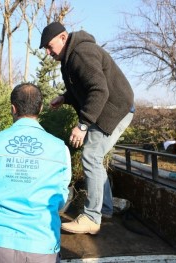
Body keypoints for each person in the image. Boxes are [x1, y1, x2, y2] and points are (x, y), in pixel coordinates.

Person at [39, 22, 135, 234]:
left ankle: (92, 217)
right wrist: (64, 98)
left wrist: (82, 125)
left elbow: (98, 90)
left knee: (91, 155)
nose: (47, 52)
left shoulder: (81, 53)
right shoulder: (69, 57)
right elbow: (82, 88)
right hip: (109, 107)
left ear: (63, 37)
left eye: (49, 46)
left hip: (115, 109)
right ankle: (105, 208)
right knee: (95, 156)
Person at [0, 83, 72, 263]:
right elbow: (61, 198)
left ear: (13, 108)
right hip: (43, 244)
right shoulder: (59, 147)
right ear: (40, 108)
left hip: (0, 243)